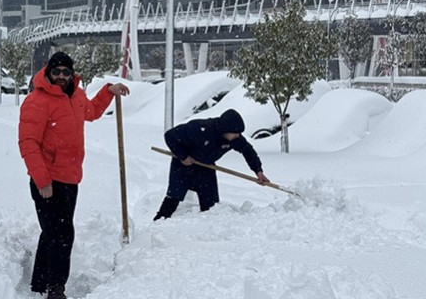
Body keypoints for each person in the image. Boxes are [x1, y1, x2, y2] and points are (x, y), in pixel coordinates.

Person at [18, 51, 129, 299]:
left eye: (65, 72)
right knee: (62, 234)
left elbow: (91, 111)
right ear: (47, 72)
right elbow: (28, 143)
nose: (60, 76)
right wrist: (43, 181)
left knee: (53, 233)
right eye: (56, 72)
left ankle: (39, 284)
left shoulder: (76, 96)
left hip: (70, 179)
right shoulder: (37, 100)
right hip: (48, 180)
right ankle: (56, 288)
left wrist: (108, 92)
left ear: (71, 74)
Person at [154, 109, 270, 221]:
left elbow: (248, 151)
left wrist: (258, 171)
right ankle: (158, 223)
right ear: (225, 129)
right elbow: (170, 136)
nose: (238, 136)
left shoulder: (235, 139)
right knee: (174, 196)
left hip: (206, 167)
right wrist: (183, 156)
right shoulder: (199, 128)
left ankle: (207, 235)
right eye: (235, 133)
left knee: (211, 206)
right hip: (184, 165)